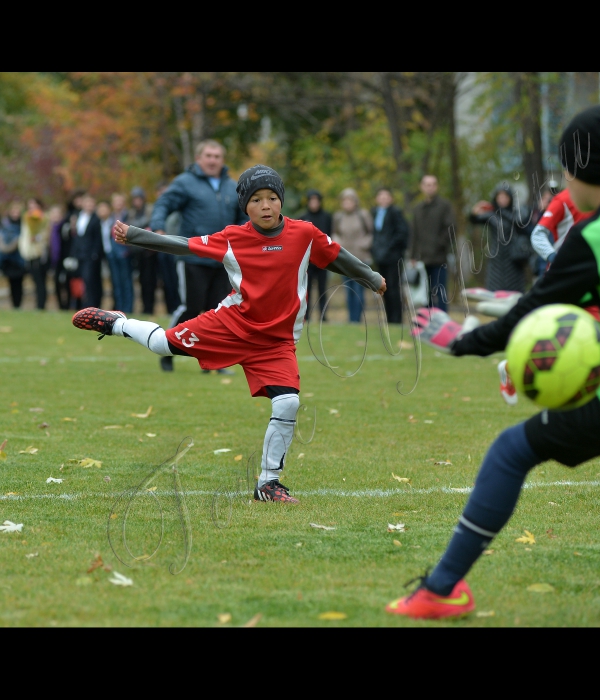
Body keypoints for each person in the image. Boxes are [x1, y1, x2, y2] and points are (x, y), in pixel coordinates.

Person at [390, 104, 600, 620]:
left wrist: (462, 338)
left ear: (577, 171)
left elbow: (535, 311)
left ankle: (441, 591)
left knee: (511, 451)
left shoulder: (596, 235)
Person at [72, 165, 387, 504]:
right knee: (161, 344)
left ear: (281, 201)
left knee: (289, 402)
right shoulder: (233, 238)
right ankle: (116, 323)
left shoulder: (304, 234)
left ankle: (268, 483)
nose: (265, 206)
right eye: (256, 200)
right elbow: (184, 244)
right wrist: (136, 234)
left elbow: (337, 257)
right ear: (245, 206)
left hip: (276, 342)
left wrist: (371, 278)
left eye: (271, 198)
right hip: (231, 325)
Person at [149, 139, 248, 373]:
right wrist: (158, 227)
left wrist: (247, 235)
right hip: (192, 256)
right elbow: (164, 203)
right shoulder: (185, 182)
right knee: (191, 308)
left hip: (222, 259)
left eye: (217, 156)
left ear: (222, 160)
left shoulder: (232, 186)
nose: (213, 160)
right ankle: (166, 349)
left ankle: (214, 363)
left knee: (220, 313)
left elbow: (243, 216)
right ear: (198, 159)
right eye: (208, 156)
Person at [469, 187, 532, 295]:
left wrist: (501, 211)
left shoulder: (517, 213)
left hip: (514, 258)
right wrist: (477, 208)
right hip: (496, 259)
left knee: (514, 294)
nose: (502, 199)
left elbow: (521, 223)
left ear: (510, 198)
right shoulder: (492, 215)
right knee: (495, 292)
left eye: (505, 196)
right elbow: (474, 219)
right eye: (500, 197)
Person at [410, 175, 456, 312]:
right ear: (422, 187)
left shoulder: (445, 206)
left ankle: (442, 323)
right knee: (424, 294)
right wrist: (413, 255)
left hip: (439, 258)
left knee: (441, 292)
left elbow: (451, 229)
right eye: (427, 184)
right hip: (421, 260)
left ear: (437, 186)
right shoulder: (417, 209)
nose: (430, 187)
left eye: (433, 184)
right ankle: (426, 322)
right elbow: (414, 234)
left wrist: (439, 245)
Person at [331, 188, 373, 323]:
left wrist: (364, 244)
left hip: (361, 258)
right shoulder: (338, 217)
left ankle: (358, 319)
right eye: (345, 201)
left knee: (359, 289)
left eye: (350, 200)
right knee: (348, 290)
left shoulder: (363, 215)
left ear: (355, 202)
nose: (347, 203)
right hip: (344, 259)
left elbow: (371, 233)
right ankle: (351, 320)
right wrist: (338, 243)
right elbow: (335, 233)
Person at [370, 188, 409, 324]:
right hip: (380, 257)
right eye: (381, 196)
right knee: (383, 288)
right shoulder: (374, 213)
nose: (384, 199)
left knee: (394, 288)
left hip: (393, 257)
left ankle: (396, 319)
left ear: (391, 199)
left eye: (386, 196)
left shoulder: (396, 212)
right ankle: (389, 318)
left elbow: (402, 234)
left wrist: (388, 248)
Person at [298, 189, 332, 321]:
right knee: (306, 290)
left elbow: (329, 237)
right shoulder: (302, 218)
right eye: (311, 201)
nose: (314, 203)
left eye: (316, 201)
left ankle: (323, 317)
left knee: (323, 289)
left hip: (323, 259)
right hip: (308, 261)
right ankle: (306, 316)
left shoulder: (327, 217)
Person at [53, 190, 85, 310]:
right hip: (66, 254)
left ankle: (79, 305)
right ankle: (66, 306)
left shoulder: (84, 215)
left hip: (79, 254)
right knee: (66, 281)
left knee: (79, 281)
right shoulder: (68, 216)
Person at [154, 181, 182, 317]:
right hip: (162, 250)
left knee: (175, 280)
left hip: (174, 249)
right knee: (166, 281)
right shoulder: (157, 212)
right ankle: (170, 308)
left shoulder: (176, 211)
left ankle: (177, 307)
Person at [71, 194, 103, 309]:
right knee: (78, 280)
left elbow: (98, 239)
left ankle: (91, 305)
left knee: (90, 280)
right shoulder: (77, 217)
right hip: (79, 254)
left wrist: (95, 254)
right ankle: (78, 305)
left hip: (90, 256)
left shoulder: (96, 219)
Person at [128, 186, 157, 316]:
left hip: (149, 252)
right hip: (137, 252)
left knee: (149, 281)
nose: (137, 202)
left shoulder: (149, 211)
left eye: (139, 199)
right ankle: (145, 307)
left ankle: (150, 307)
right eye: (135, 199)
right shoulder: (131, 213)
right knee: (140, 281)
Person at [18, 197, 50, 310]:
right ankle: (38, 304)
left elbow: (46, 234)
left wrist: (37, 237)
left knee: (40, 280)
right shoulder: (26, 217)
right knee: (34, 279)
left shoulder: (44, 218)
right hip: (29, 252)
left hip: (40, 253)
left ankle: (41, 305)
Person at [106, 193, 133, 313]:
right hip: (112, 254)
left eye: (120, 201)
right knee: (116, 282)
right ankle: (119, 308)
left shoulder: (129, 216)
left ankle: (128, 308)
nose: (118, 204)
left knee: (126, 281)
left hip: (124, 254)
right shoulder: (110, 217)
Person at [0, 201, 25, 309]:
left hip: (19, 260)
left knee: (19, 283)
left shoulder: (24, 225)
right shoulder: (4, 225)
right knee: (11, 283)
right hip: (8, 260)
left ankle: (18, 304)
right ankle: (14, 305)